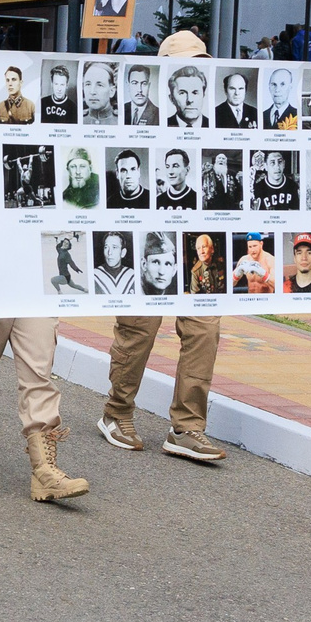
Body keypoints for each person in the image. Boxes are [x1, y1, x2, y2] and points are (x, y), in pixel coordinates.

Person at [100, 32, 226, 465]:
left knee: (204, 328)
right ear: (167, 84)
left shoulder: (221, 124)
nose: (192, 87)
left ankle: (187, 428)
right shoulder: (137, 120)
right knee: (140, 327)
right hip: (148, 233)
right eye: (183, 75)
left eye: (200, 72)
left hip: (201, 240)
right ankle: (117, 412)